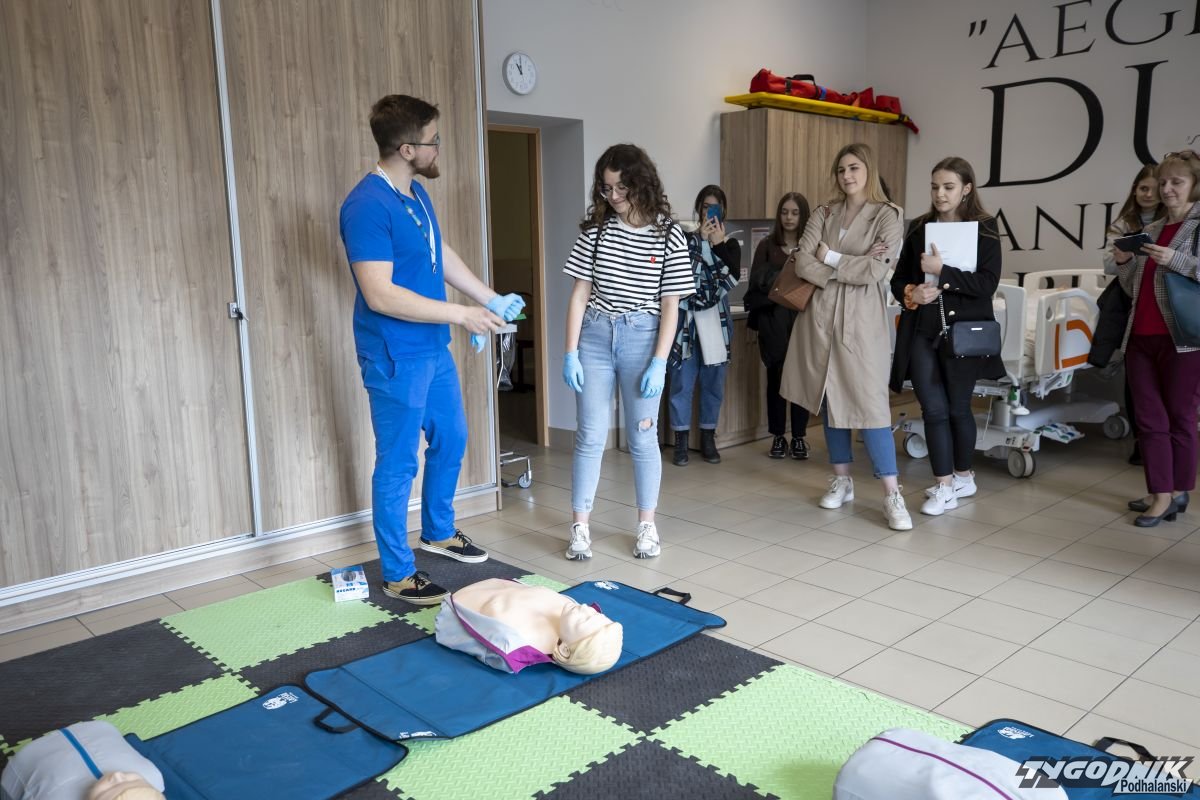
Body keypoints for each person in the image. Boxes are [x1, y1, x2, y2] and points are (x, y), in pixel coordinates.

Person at [339, 95, 525, 604]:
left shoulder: (416, 194)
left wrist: (488, 298)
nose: (438, 147)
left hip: (432, 347)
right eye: (432, 141)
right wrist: (460, 314)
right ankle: (398, 574)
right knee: (399, 462)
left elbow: (437, 253)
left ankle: (438, 531)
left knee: (453, 437)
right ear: (407, 149)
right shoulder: (365, 205)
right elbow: (380, 293)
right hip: (394, 354)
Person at [561, 144, 693, 561]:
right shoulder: (596, 232)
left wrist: (659, 362)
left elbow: (671, 305)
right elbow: (579, 295)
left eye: (621, 187)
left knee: (642, 436)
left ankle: (647, 526)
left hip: (643, 337)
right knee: (590, 435)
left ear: (641, 183)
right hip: (595, 336)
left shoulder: (669, 234)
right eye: (606, 188)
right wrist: (570, 352)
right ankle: (580, 527)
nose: (613, 196)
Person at [780, 143, 911, 530]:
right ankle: (842, 479)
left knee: (871, 405)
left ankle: (892, 494)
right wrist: (846, 265)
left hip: (862, 322)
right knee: (829, 398)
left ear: (868, 169)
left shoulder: (888, 214)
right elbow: (802, 262)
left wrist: (831, 258)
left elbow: (876, 270)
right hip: (819, 320)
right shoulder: (824, 212)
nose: (847, 175)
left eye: (854, 167)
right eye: (841, 170)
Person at [889, 157, 1003, 516]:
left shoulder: (985, 228)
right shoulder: (919, 227)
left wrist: (943, 272)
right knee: (933, 409)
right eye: (935, 186)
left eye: (948, 187)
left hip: (964, 333)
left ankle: (964, 476)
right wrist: (912, 292)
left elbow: (987, 284)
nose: (940, 193)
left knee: (957, 408)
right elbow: (898, 280)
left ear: (966, 188)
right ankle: (944, 486)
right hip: (922, 331)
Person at [1117, 150, 1200, 527]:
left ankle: (1177, 492)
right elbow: (1133, 288)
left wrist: (1175, 260)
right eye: (1163, 182)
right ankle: (1161, 493)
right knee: (1149, 419)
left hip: (1184, 339)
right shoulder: (1151, 230)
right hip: (1141, 336)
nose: (1167, 189)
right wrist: (1124, 264)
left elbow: (1187, 269)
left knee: (1181, 416)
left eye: (1177, 182)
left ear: (1194, 185)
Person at [667, 185, 742, 466]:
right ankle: (681, 442)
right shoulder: (685, 240)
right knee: (681, 382)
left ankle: (708, 438)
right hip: (686, 321)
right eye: (706, 206)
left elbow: (731, 278)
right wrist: (700, 240)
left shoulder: (730, 245)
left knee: (713, 384)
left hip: (716, 321)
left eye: (715, 207)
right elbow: (679, 275)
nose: (710, 212)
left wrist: (717, 245)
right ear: (699, 208)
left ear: (723, 211)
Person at [1101, 166, 1164, 465]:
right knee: (1136, 379)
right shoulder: (1123, 223)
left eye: (1154, 188)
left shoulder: (1173, 223)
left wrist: (1139, 256)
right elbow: (1108, 264)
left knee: (1167, 380)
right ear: (1134, 190)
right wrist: (1132, 257)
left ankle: (1165, 442)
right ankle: (1142, 441)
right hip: (1131, 300)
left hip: (1164, 302)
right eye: (1143, 188)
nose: (1148, 194)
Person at [745, 192, 813, 459]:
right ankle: (777, 436)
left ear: (803, 215)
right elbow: (754, 287)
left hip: (802, 322)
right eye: (784, 212)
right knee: (776, 381)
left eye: (795, 212)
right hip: (773, 324)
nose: (789, 217)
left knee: (800, 381)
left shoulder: (810, 247)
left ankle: (799, 437)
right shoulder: (767, 246)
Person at [435, 577, 623, 674]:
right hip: (496, 587)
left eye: (585, 619)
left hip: (462, 601)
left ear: (565, 649)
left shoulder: (513, 643)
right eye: (596, 614)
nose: (586, 608)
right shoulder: (568, 611)